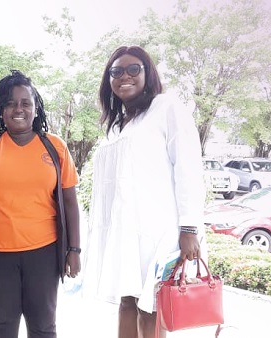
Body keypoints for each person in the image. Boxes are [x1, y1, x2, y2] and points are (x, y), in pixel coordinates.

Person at [81, 46, 205, 338]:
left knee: (150, 306)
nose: (125, 76)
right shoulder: (118, 124)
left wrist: (189, 228)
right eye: (116, 71)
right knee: (127, 301)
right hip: (123, 232)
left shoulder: (166, 108)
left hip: (158, 231)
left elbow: (188, 168)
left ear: (147, 73)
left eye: (133, 69)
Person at [0, 70, 81, 338]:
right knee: (2, 326)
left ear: (36, 109)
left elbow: (70, 202)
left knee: (43, 327)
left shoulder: (55, 147)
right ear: (1, 110)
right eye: (11, 103)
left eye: (26, 103)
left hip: (45, 253)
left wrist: (74, 249)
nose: (18, 109)